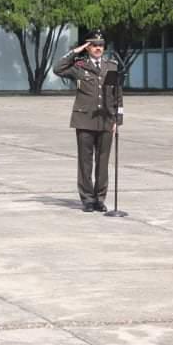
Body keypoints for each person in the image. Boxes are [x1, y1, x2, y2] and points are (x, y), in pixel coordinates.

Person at [53, 29, 123, 212]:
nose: (98, 48)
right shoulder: (79, 66)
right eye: (93, 45)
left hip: (106, 120)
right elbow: (57, 68)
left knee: (103, 160)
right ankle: (87, 199)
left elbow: (117, 95)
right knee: (85, 161)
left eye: (100, 45)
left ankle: (100, 198)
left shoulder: (111, 66)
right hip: (84, 120)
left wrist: (118, 119)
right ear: (88, 47)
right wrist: (76, 51)